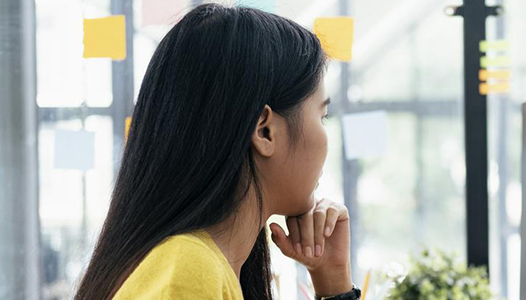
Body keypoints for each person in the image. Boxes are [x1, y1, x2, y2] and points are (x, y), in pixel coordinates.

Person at [75, 3, 357, 299]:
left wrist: (333, 280)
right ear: (265, 131)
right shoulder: (190, 272)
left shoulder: (200, 263)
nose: (326, 137)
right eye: (321, 116)